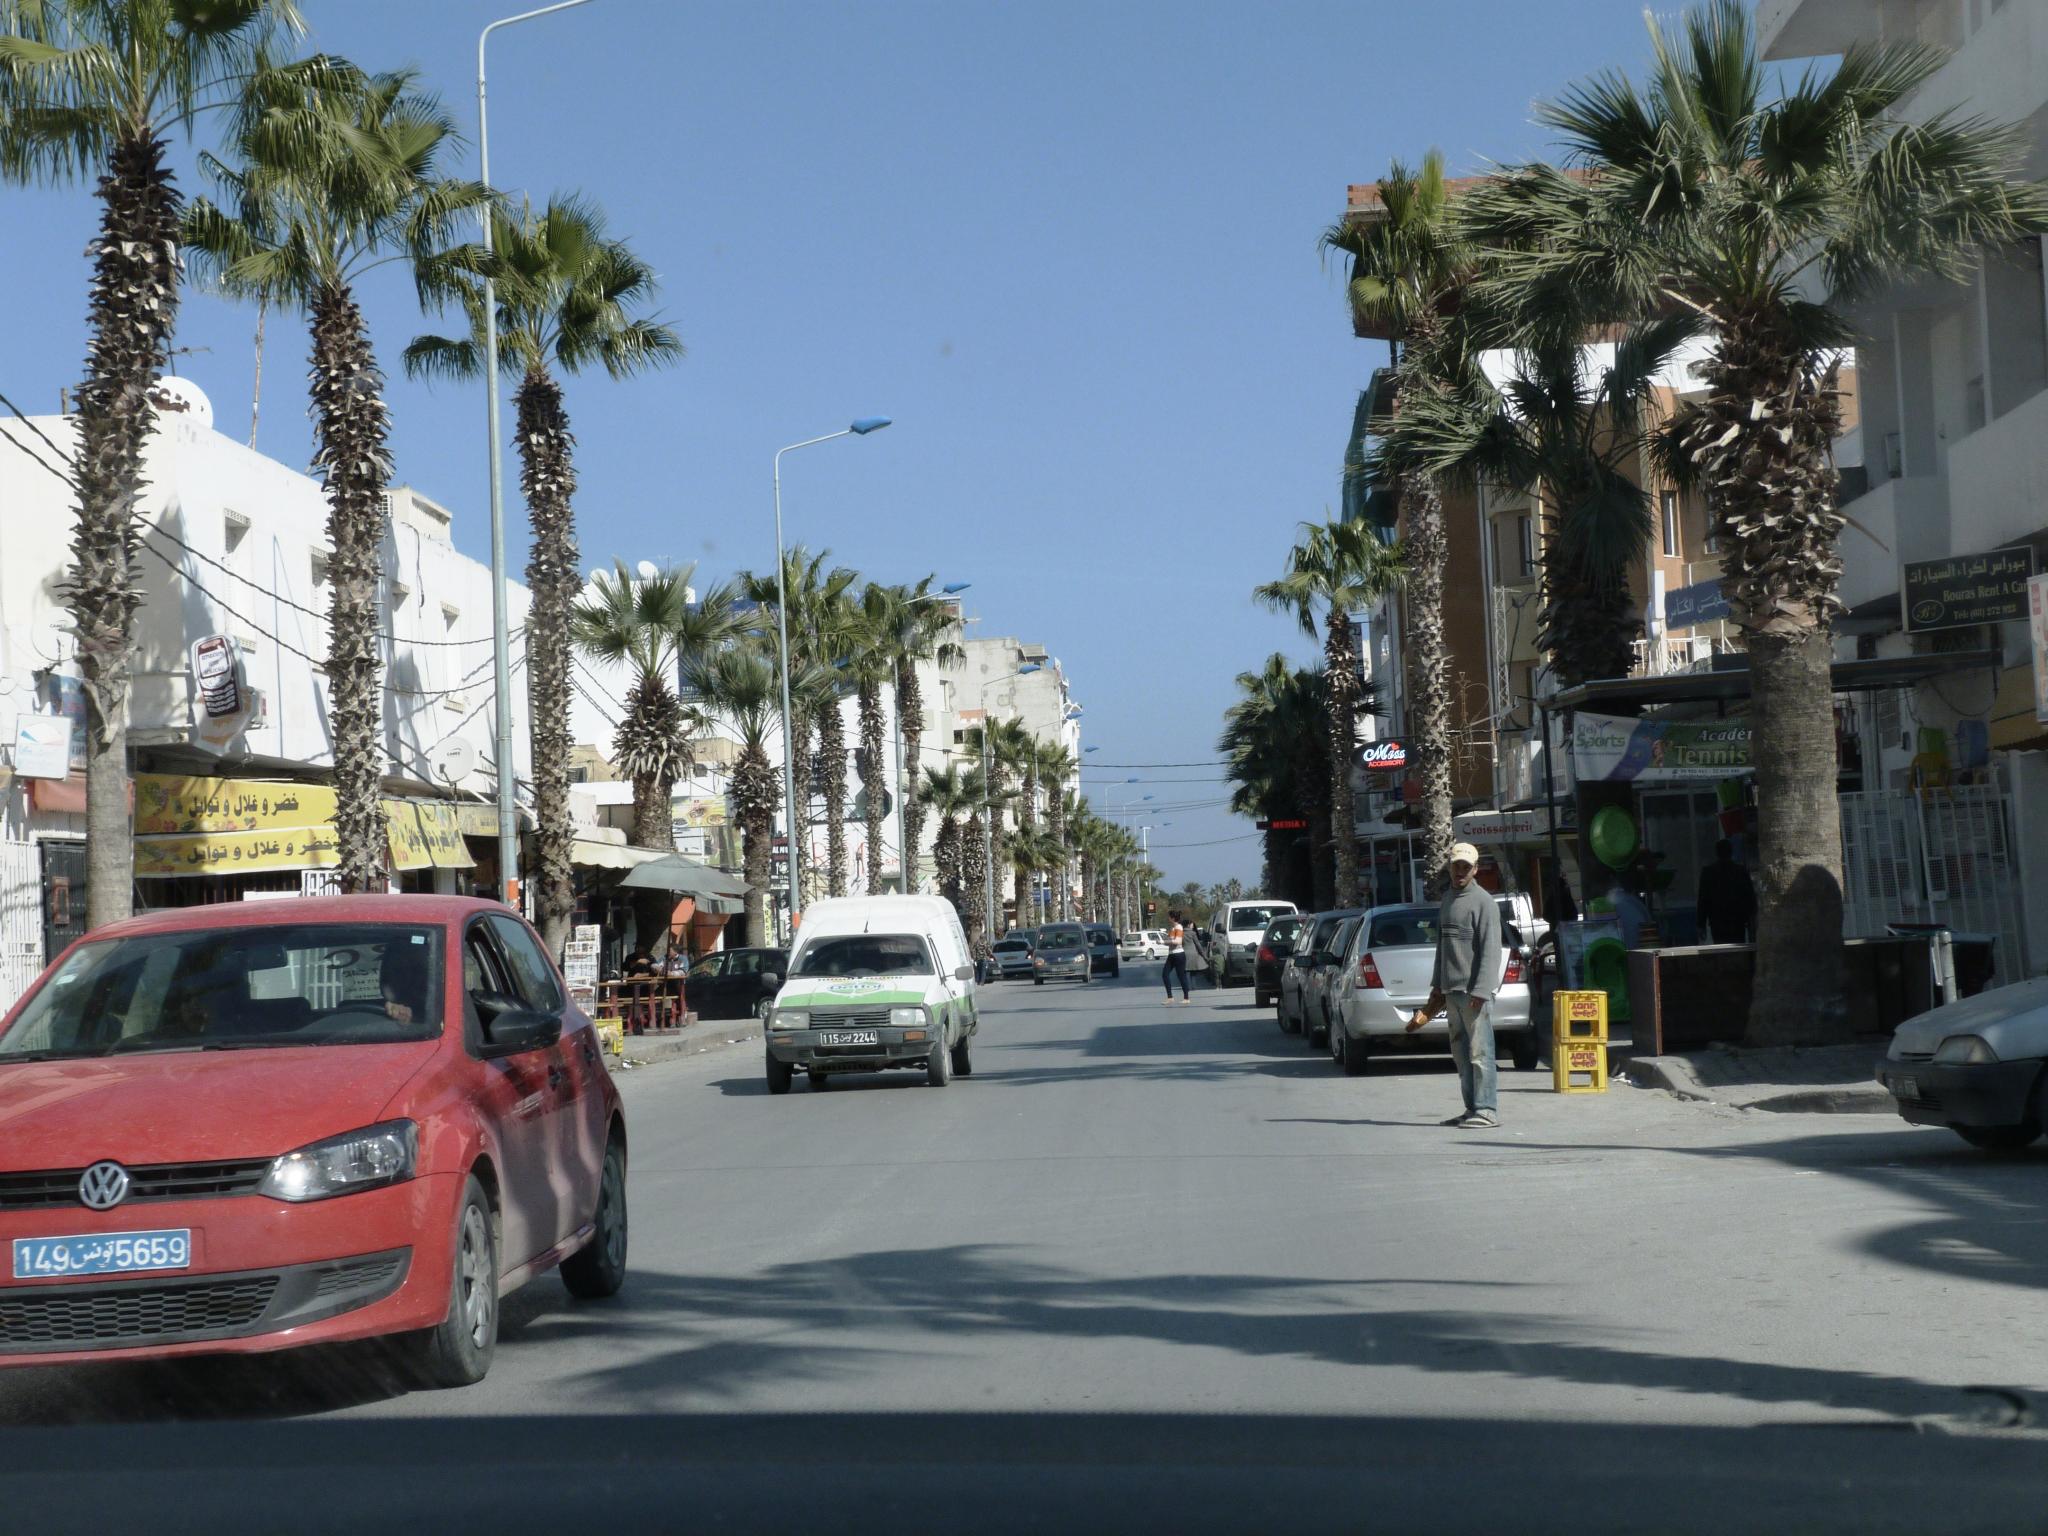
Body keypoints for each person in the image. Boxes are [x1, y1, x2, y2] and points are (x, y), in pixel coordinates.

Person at [1408, 842, 1505, 1129]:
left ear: (1475, 869)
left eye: (1466, 867)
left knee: (1480, 1053)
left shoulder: (1484, 902)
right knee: (1461, 1055)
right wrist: (1437, 985)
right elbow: (1443, 947)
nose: (1460, 871)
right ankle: (1471, 1108)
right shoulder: (1449, 898)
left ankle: (1487, 1110)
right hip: (1451, 992)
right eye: (1456, 866)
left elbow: (1490, 950)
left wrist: (1481, 990)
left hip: (1473, 994)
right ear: (1450, 867)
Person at [1696, 838, 1757, 945]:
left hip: (1717, 920)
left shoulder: (1708, 873)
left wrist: (1701, 924)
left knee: (1721, 951)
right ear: (1731, 851)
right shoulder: (1740, 871)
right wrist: (1751, 922)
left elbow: (1703, 900)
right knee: (1738, 950)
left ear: (1716, 852)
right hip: (1737, 920)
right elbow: (1750, 898)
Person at [1162, 910, 1193, 1004]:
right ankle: (1170, 997)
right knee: (1165, 974)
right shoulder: (1173, 928)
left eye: (1169, 917)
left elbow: (1178, 941)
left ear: (1173, 918)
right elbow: (1171, 942)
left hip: (1178, 955)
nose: (1168, 918)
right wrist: (1166, 942)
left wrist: (1164, 942)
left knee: (1181, 976)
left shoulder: (1178, 927)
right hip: (1172, 954)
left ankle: (1186, 998)